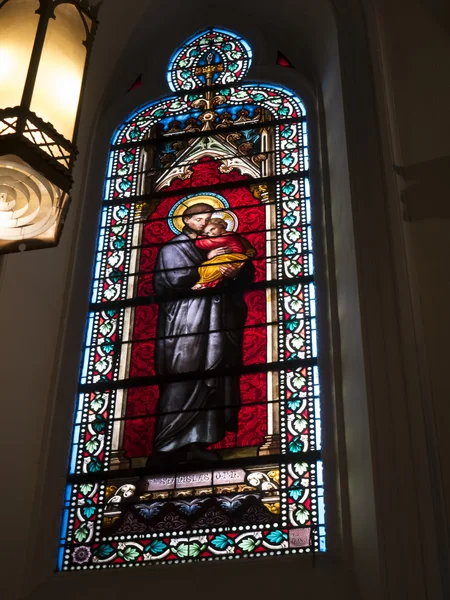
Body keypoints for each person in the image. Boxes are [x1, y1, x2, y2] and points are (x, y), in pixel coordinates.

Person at [151, 203, 255, 464]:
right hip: (185, 321)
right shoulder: (173, 247)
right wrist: (206, 264)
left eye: (208, 219)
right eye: (199, 219)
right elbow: (174, 281)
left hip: (216, 319)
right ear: (186, 219)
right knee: (184, 374)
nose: (204, 223)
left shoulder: (219, 241)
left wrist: (232, 274)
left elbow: (244, 271)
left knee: (213, 376)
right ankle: (167, 444)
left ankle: (198, 442)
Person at [192, 217, 254, 289]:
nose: (211, 233)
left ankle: (203, 283)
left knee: (216, 267)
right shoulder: (214, 239)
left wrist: (198, 238)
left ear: (220, 225)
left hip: (235, 260)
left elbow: (250, 253)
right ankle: (206, 283)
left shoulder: (229, 236)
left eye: (212, 229)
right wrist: (211, 254)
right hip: (220, 260)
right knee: (204, 267)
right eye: (207, 233)